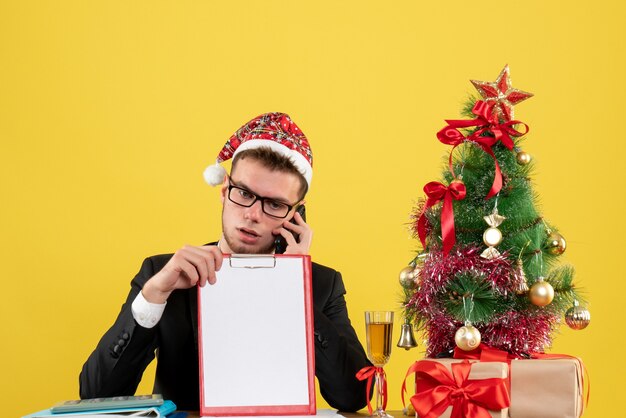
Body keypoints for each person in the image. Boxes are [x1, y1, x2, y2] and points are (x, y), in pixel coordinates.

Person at [79, 112, 371, 412]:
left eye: (274, 204)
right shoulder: (163, 273)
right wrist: (153, 296)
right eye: (244, 193)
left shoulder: (320, 285)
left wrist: (295, 286)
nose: (253, 214)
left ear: (296, 215)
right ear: (224, 191)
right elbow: (94, 396)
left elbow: (355, 396)